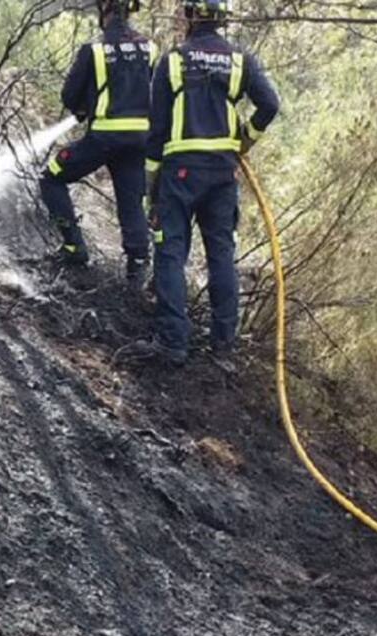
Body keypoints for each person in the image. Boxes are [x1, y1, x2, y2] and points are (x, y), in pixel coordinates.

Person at [141, 0, 279, 365]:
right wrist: (246, 139)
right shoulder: (240, 61)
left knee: (170, 251)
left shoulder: (173, 61)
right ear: (222, 19)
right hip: (222, 172)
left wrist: (151, 186)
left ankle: (173, 342)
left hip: (180, 170)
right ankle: (223, 346)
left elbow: (155, 130)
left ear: (189, 16)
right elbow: (270, 105)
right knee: (221, 256)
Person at [40, 0, 156, 281]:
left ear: (105, 10)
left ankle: (73, 246)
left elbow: (69, 96)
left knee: (51, 177)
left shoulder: (94, 50)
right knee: (131, 202)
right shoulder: (150, 49)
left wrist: (83, 107)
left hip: (104, 137)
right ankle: (138, 266)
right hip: (140, 140)